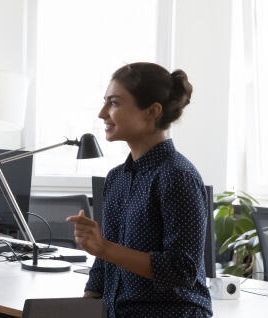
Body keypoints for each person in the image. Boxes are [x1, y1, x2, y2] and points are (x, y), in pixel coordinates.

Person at [66, 62, 212, 317]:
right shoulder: (116, 178)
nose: (102, 113)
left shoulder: (178, 176)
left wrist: (104, 248)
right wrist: (85, 307)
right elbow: (104, 262)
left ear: (152, 111)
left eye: (114, 103)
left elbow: (182, 270)